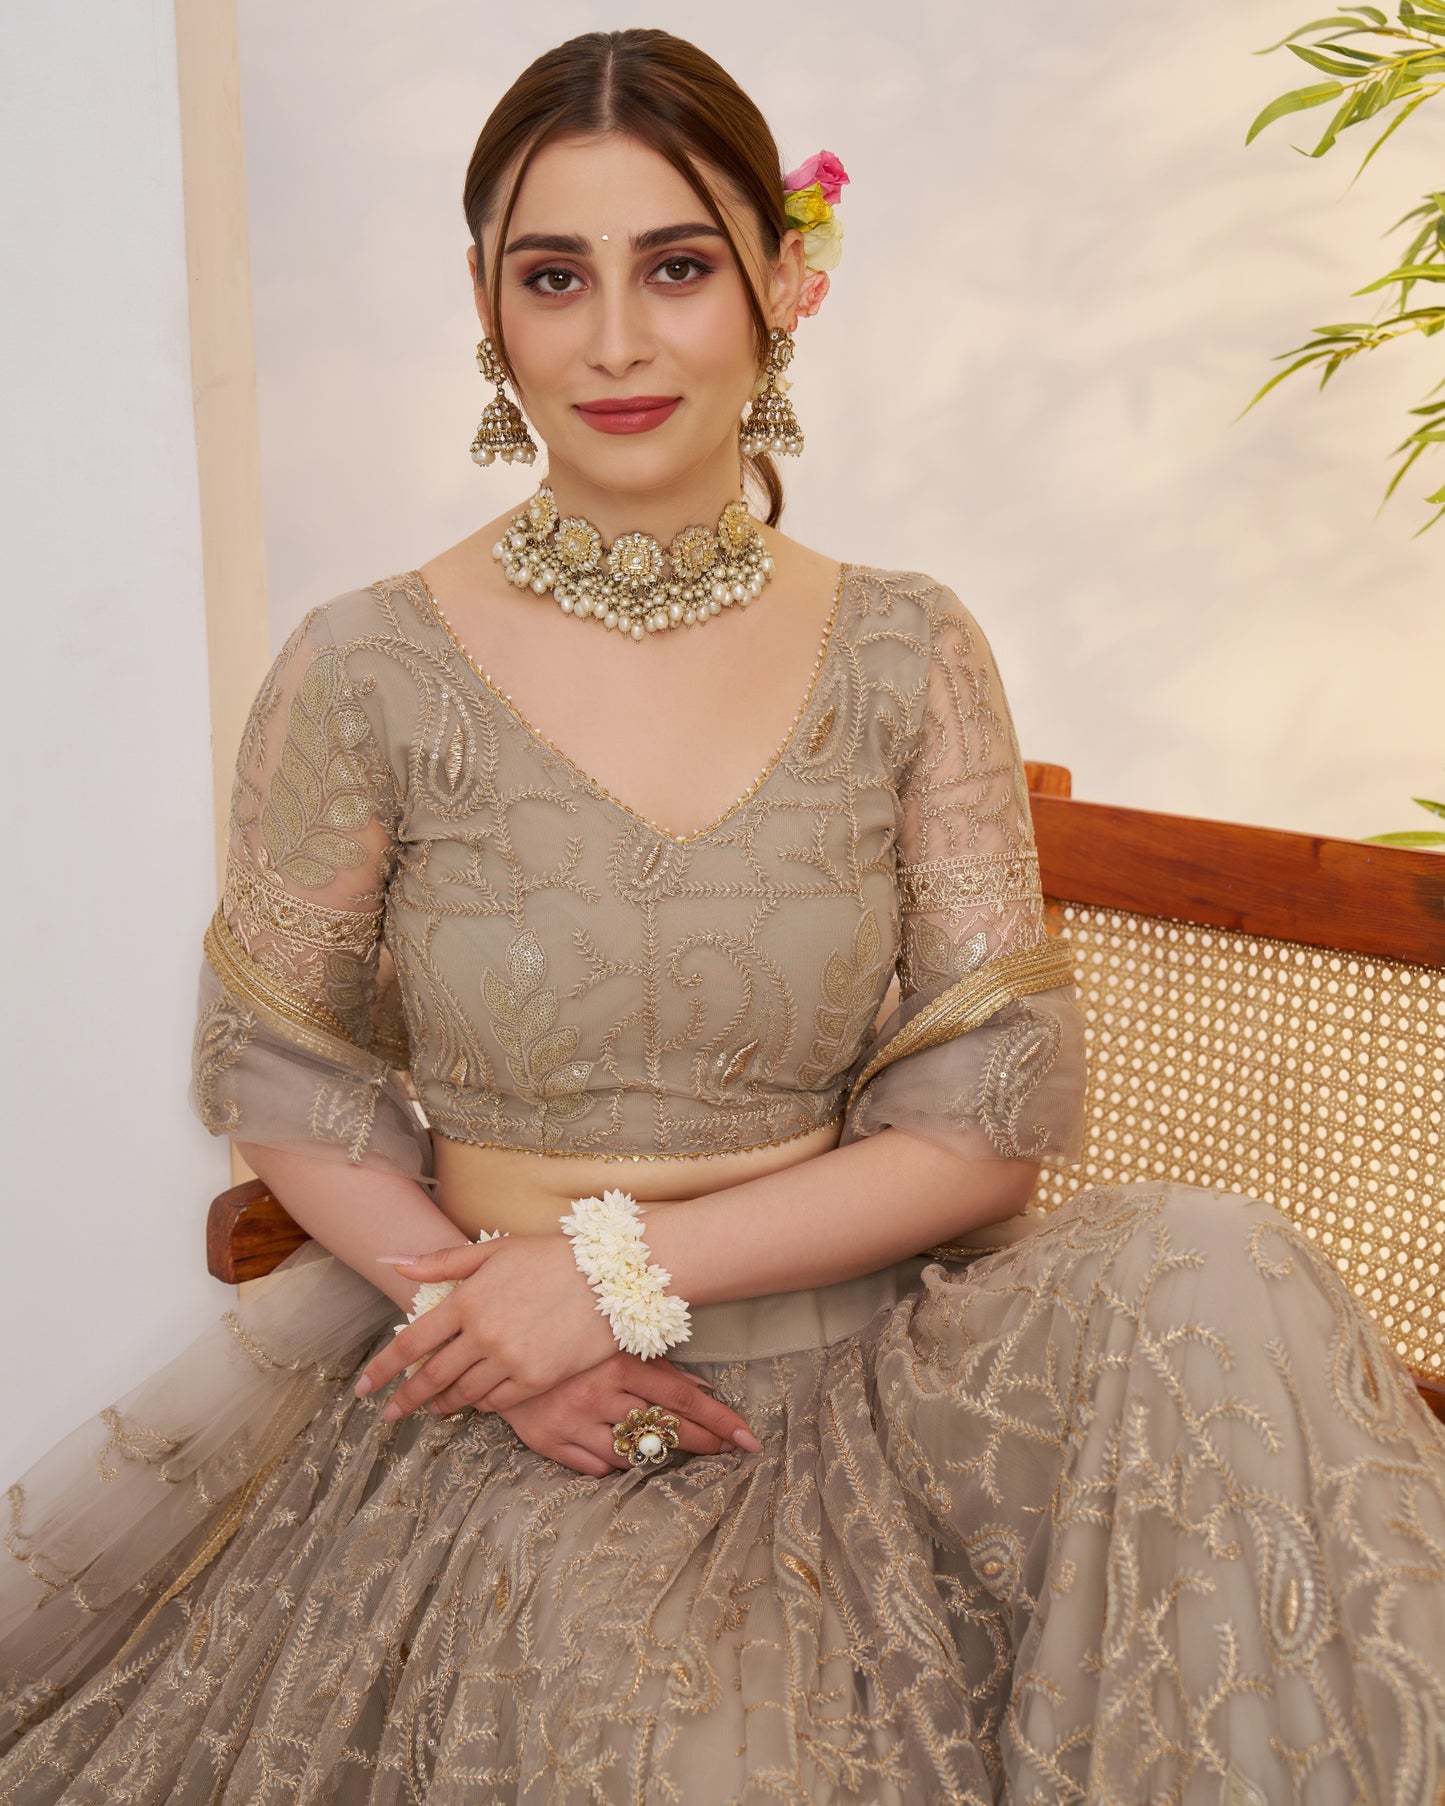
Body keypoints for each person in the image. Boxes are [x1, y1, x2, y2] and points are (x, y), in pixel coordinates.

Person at [2, 26, 1443, 1805]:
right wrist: (492, 1327)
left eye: (674, 267)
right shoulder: (367, 668)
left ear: (778, 282)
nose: (614, 339)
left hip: (877, 1370)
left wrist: (607, 1276)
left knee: (1215, 1276)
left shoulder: (909, 648)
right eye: (556, 276)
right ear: (486, 305)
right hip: (514, 1397)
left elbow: (988, 1123)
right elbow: (280, 1075)